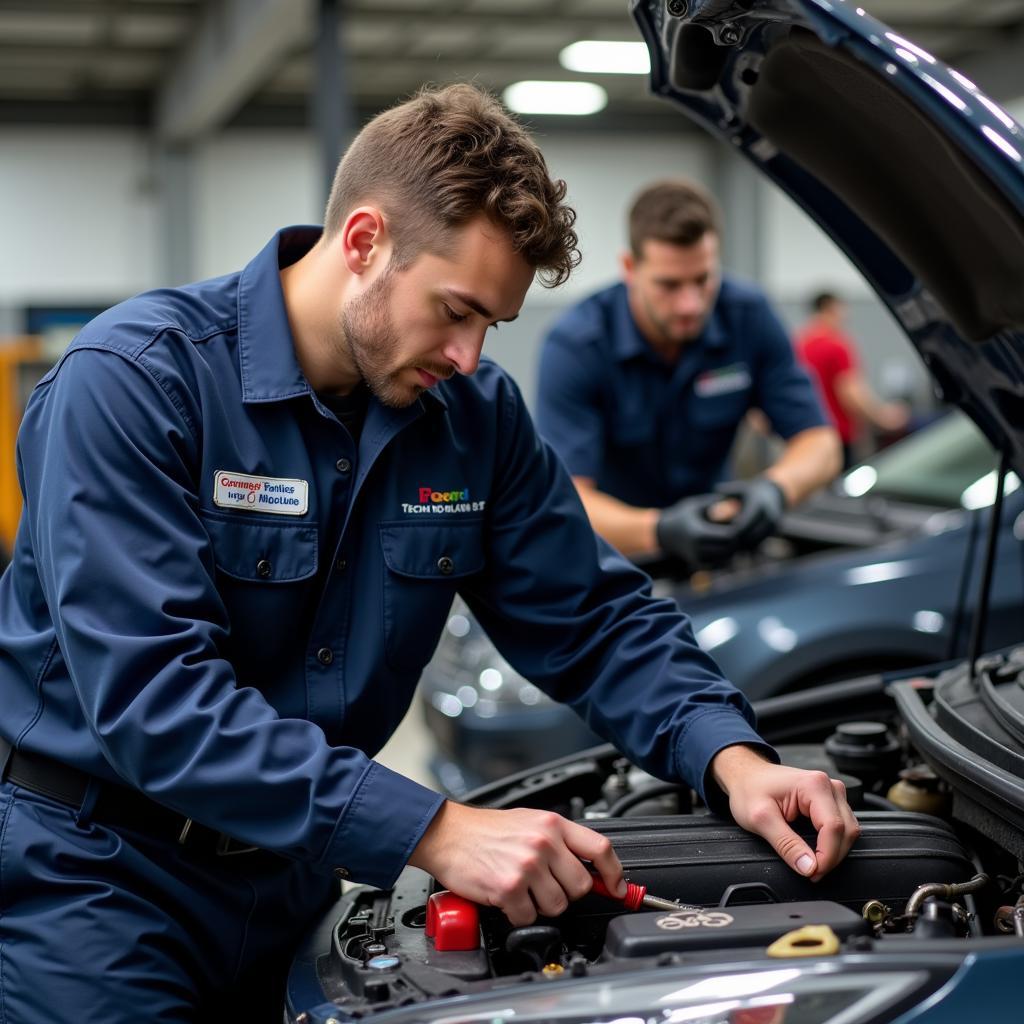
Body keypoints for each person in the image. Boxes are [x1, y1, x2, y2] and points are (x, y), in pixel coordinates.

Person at [0, 85, 858, 1022]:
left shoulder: (472, 420)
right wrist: (435, 829)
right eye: (455, 309)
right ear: (364, 241)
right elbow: (156, 702)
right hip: (97, 883)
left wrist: (729, 755)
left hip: (295, 884)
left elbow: (594, 616)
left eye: (492, 323)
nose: (468, 354)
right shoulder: (131, 386)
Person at [536, 179, 841, 566]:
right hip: (616, 557)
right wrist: (659, 530)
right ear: (630, 267)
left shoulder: (748, 317)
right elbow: (568, 499)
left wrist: (775, 490)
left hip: (719, 548)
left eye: (702, 280)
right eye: (669, 285)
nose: (690, 305)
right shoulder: (577, 345)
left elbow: (821, 444)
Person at [796, 291, 910, 468]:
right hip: (838, 435)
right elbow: (850, 392)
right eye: (842, 308)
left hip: (809, 435)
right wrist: (882, 417)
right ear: (829, 308)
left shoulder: (800, 343)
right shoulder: (836, 345)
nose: (846, 314)